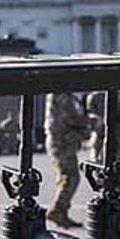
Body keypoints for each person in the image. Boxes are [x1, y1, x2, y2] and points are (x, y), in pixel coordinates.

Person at [46, 89, 97, 226]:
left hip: (64, 142)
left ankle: (61, 213)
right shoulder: (61, 95)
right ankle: (57, 210)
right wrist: (89, 121)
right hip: (62, 143)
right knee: (71, 177)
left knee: (66, 177)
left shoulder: (66, 96)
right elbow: (72, 118)